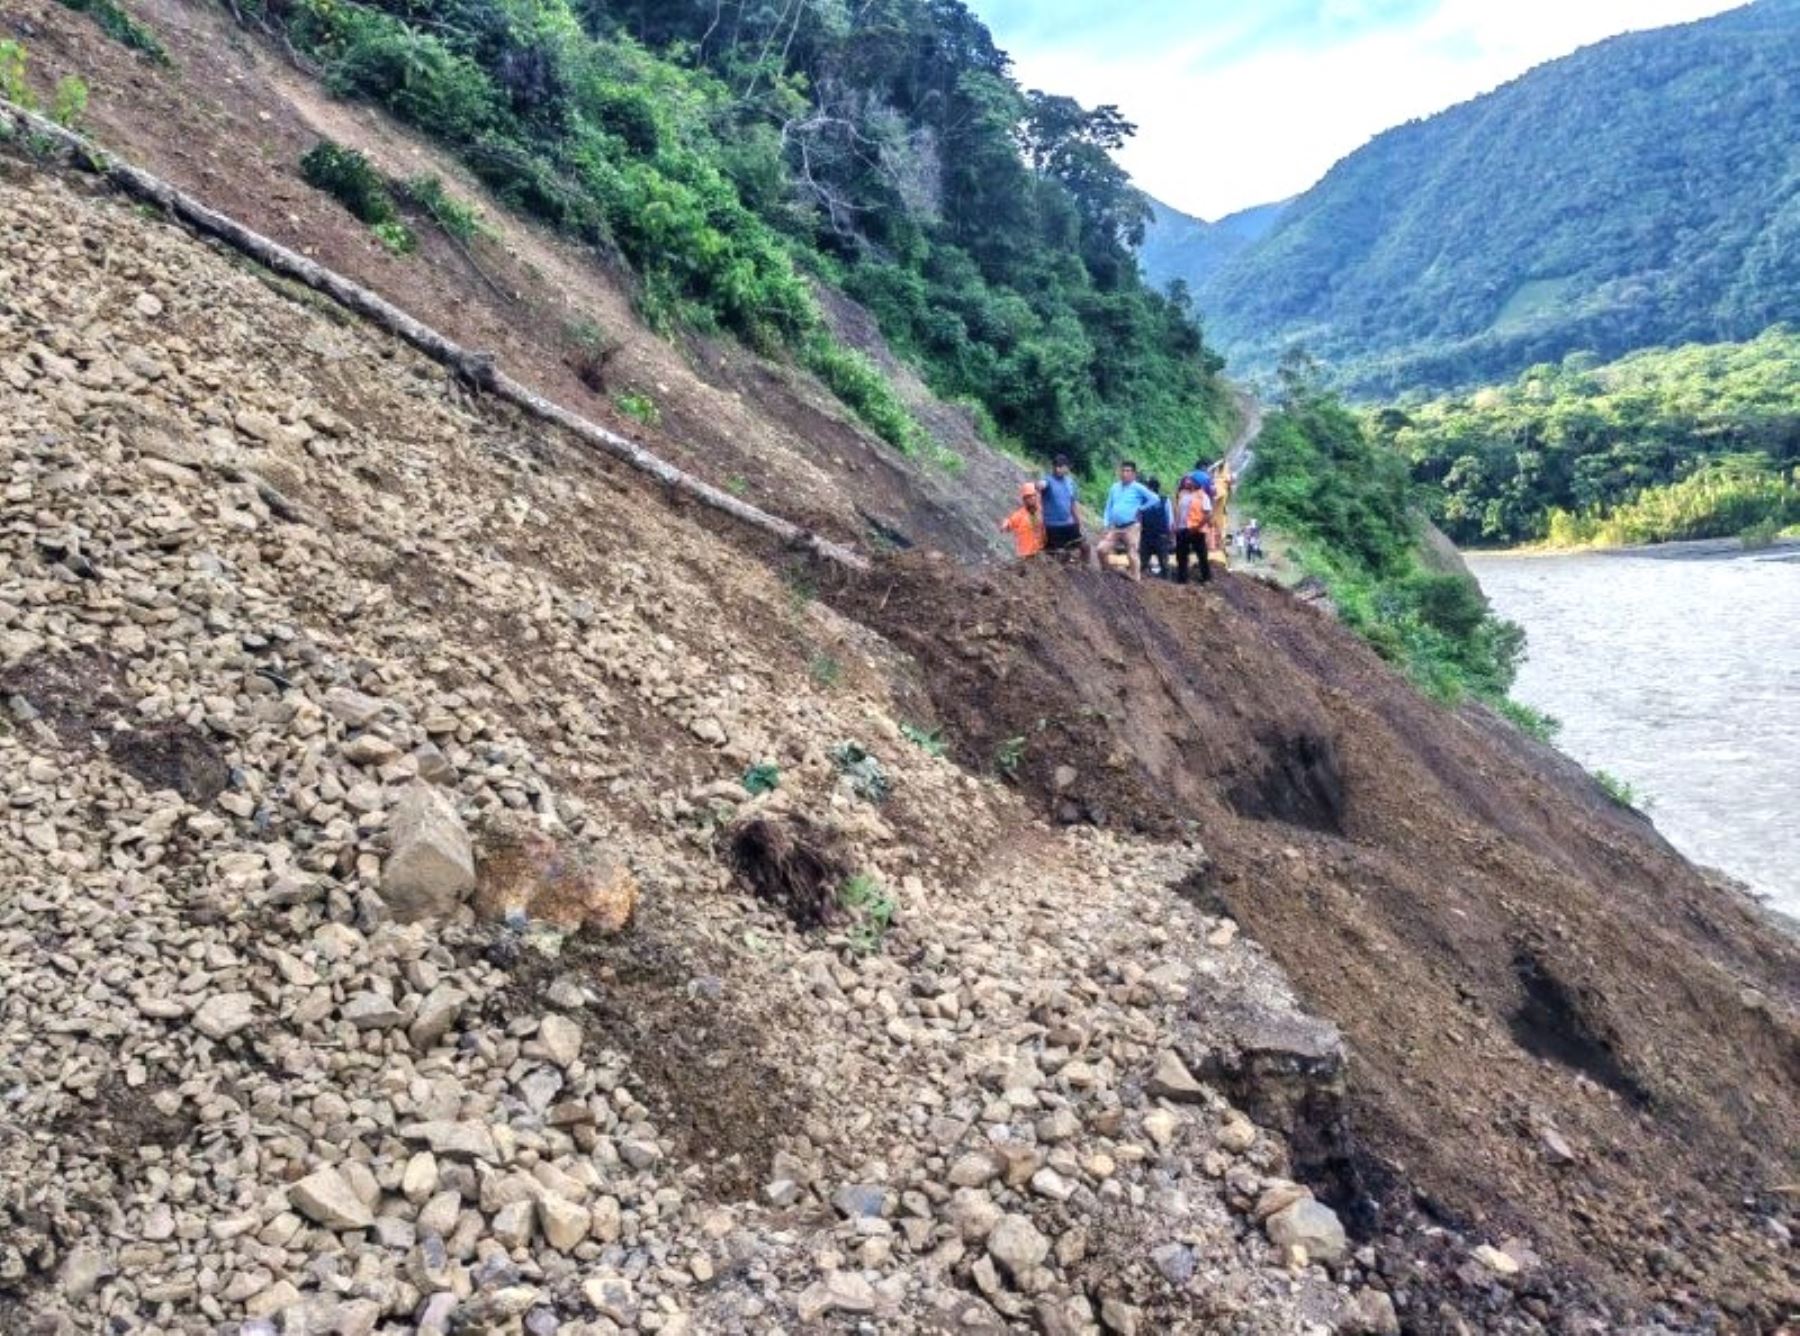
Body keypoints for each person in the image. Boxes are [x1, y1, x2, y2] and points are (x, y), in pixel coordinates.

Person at [1095, 460, 1158, 581]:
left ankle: (1135, 578)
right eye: (1123, 470)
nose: (1125, 473)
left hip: (1131, 526)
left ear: (1134, 474)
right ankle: (1106, 572)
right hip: (1115, 527)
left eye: (1128, 471)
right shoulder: (1115, 487)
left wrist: (1141, 508)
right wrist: (1106, 523)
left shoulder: (1138, 487)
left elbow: (1154, 498)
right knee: (1101, 549)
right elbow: (1108, 506)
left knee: (1132, 552)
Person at [1035, 454, 1091, 563]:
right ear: (1054, 467)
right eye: (1057, 466)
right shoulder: (1048, 480)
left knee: (1086, 547)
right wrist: (1039, 485)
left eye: (1062, 467)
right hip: (1052, 526)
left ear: (1067, 468)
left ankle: (1084, 570)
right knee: (1062, 554)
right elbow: (1041, 484)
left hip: (1069, 524)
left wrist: (1078, 521)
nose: (1059, 469)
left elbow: (1072, 503)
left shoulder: (1070, 482)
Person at [1173, 475, 1214, 585]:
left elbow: (1208, 514)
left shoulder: (1203, 496)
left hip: (1196, 530)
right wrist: (1176, 525)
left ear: (1196, 483)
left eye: (1190, 480)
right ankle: (1182, 579)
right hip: (1182, 529)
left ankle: (1206, 578)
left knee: (1202, 555)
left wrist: (1198, 526)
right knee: (1181, 555)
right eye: (1187, 480)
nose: (1188, 482)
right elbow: (1178, 512)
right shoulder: (1182, 495)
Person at [1137, 477, 1173, 579]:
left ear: (1151, 488)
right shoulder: (1163, 501)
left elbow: (1170, 519)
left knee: (1163, 563)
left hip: (1155, 535)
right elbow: (1170, 519)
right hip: (1153, 534)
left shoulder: (1164, 500)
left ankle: (1166, 582)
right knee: (1145, 562)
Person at [998, 483, 1046, 559]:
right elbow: (1009, 522)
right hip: (1027, 555)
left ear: (1036, 496)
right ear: (1024, 499)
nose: (1031, 499)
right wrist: (1005, 525)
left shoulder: (1043, 510)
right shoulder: (1019, 515)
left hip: (1042, 552)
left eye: (1032, 496)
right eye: (1027, 497)